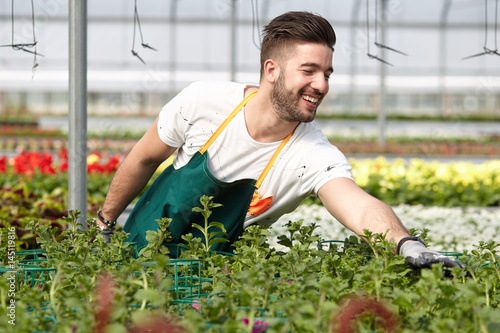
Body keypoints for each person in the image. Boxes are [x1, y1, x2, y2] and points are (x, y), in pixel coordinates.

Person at [94, 11, 463, 269]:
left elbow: (360, 206)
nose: (322, 85)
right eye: (309, 71)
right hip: (138, 261)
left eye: (327, 73)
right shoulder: (203, 102)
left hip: (214, 278)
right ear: (271, 70)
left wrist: (407, 244)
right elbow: (143, 158)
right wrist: (105, 223)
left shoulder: (313, 153)